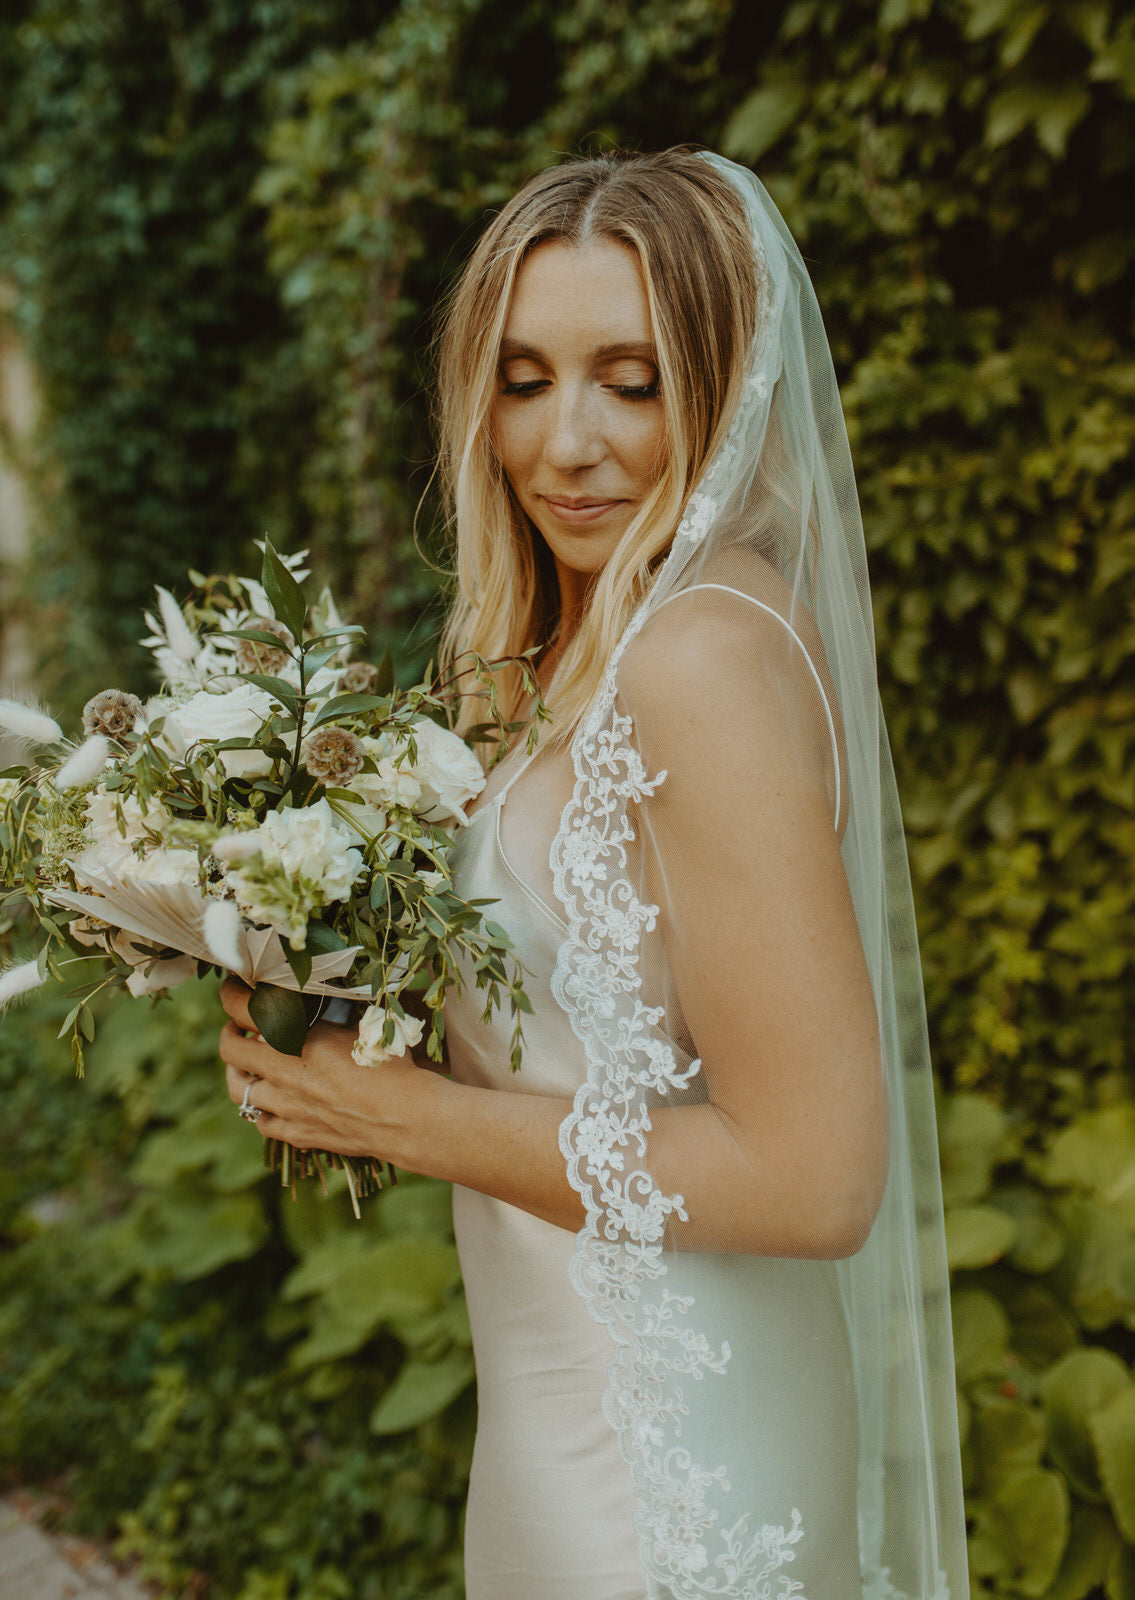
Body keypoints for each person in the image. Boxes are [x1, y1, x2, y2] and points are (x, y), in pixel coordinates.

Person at [218, 148, 969, 1600]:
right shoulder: (598, 650)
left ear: (727, 380)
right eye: (522, 379)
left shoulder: (695, 660)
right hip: (577, 1401)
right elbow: (600, 1017)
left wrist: (409, 1120)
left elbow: (817, 1177)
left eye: (630, 380)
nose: (568, 444)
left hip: (662, 1453)